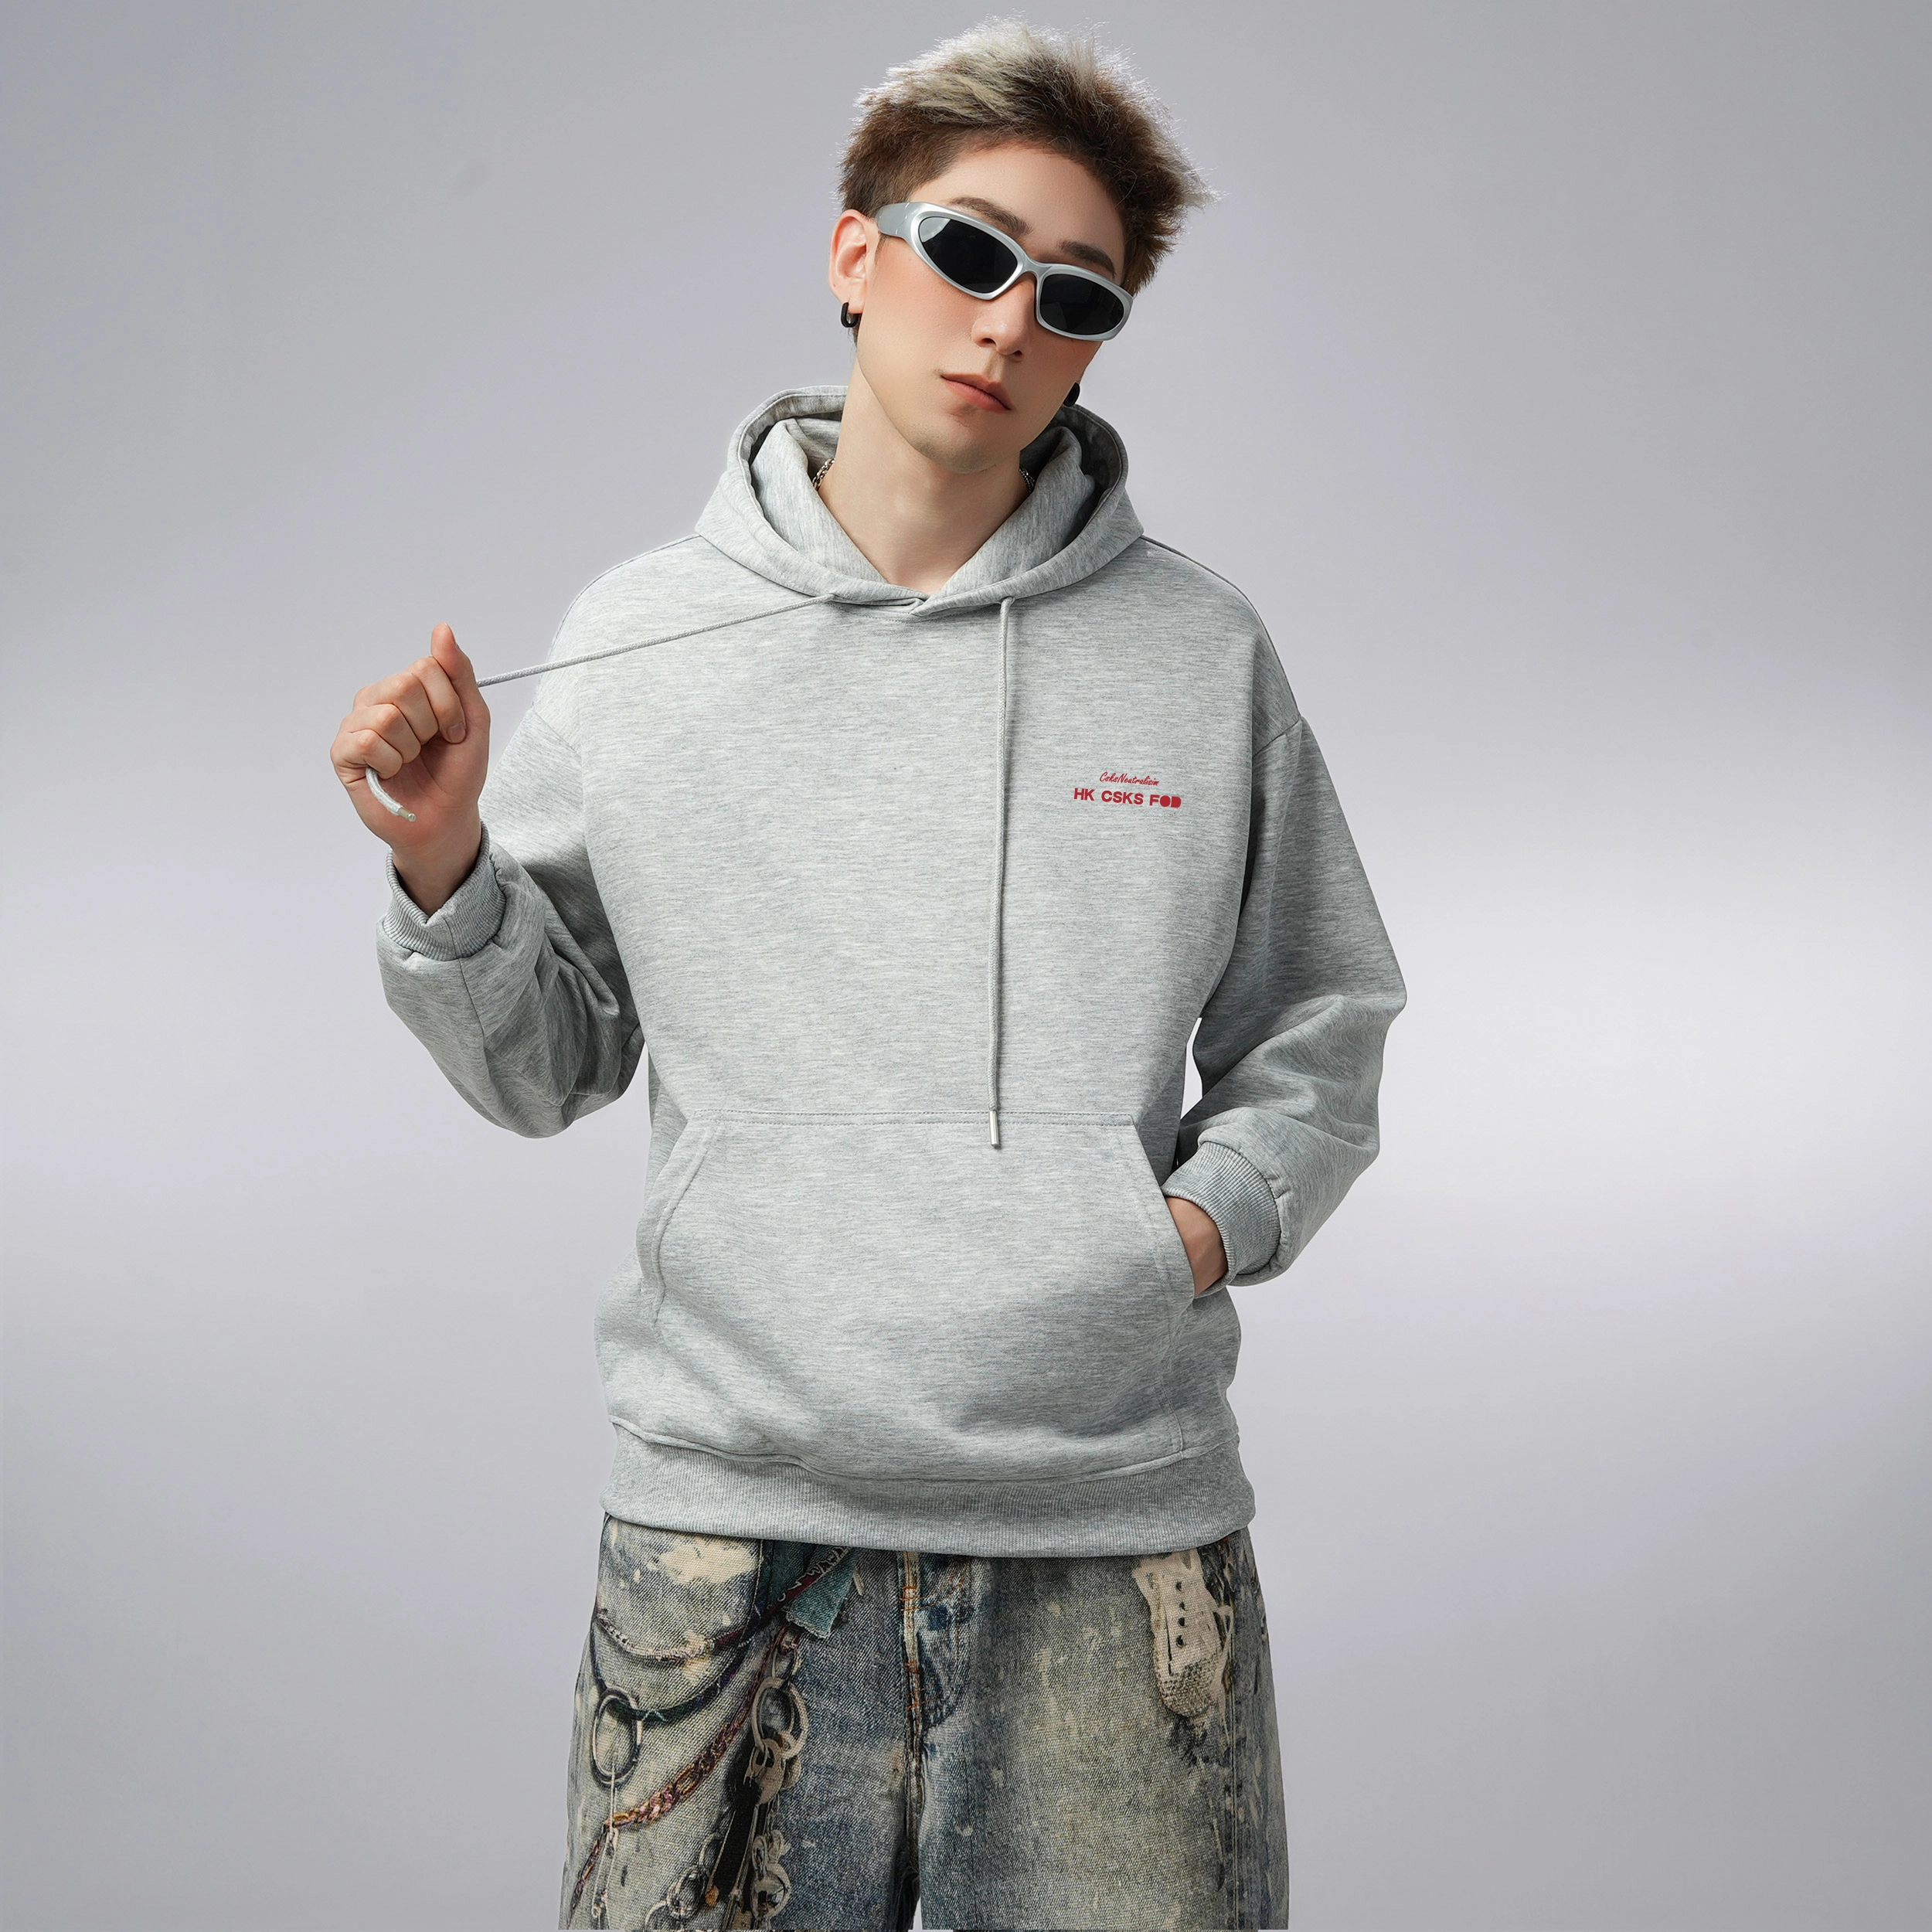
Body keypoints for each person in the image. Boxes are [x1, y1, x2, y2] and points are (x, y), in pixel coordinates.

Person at [330, 21, 1403, 1930]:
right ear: (853, 255)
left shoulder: (1195, 651)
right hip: (724, 1538)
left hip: (1110, 1537)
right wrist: (443, 858)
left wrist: (1179, 1233)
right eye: (970, 250)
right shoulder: (642, 635)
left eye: (1073, 294)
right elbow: (543, 1063)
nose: (1007, 320)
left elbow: (1317, 1020)